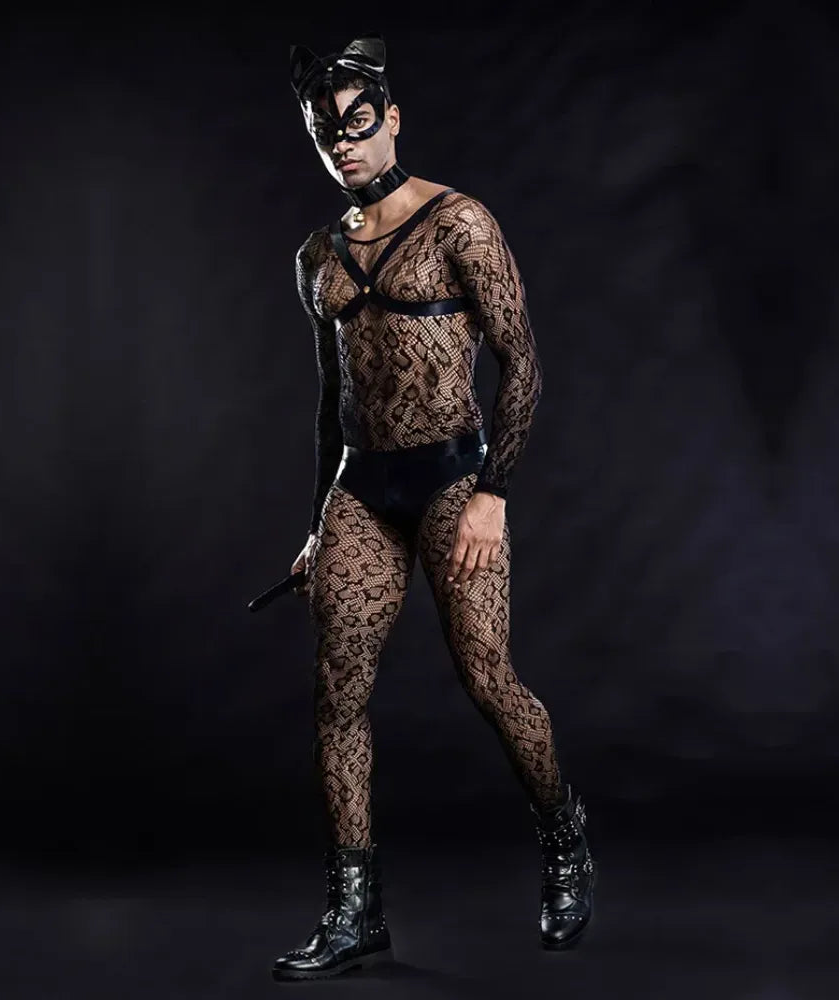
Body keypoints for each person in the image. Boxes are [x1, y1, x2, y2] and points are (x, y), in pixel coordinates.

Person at [271, 33, 596, 982]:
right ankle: (354, 912)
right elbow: (331, 403)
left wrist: (494, 493)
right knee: (337, 695)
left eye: (358, 122)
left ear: (393, 118)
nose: (344, 143)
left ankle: (565, 838)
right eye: (326, 130)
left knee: (486, 676)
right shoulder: (317, 256)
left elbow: (523, 364)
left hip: (456, 478)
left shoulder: (461, 223)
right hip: (361, 490)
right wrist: (316, 524)